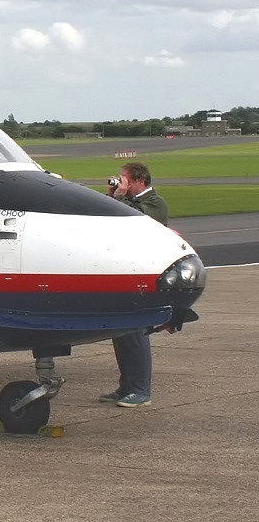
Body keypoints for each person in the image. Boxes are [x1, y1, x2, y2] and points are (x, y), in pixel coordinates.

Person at [100, 161, 169, 408]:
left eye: (124, 179)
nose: (121, 183)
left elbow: (135, 220)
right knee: (122, 333)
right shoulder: (127, 200)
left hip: (143, 275)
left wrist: (118, 198)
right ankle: (127, 387)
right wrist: (112, 197)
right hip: (125, 272)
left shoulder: (156, 203)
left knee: (135, 331)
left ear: (139, 180)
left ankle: (140, 390)